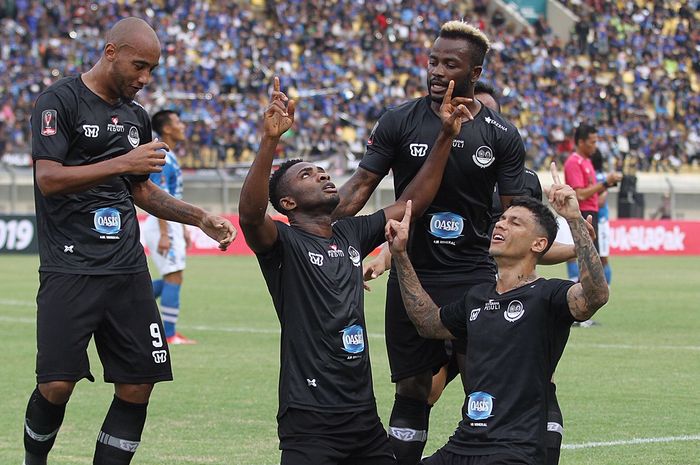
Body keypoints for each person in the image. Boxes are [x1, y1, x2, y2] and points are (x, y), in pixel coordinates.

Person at [24, 17, 236, 465]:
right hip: (70, 267)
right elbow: (49, 179)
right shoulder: (57, 102)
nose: (144, 79)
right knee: (56, 385)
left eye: (151, 70)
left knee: (138, 383)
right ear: (110, 52)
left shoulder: (135, 117)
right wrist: (122, 162)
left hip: (125, 267)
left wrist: (199, 217)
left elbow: (142, 191)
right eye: (139, 66)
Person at [238, 77, 472, 465]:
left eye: (322, 170)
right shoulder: (283, 244)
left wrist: (445, 138)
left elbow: (413, 202)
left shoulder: (350, 232)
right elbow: (249, 215)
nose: (323, 175)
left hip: (363, 417)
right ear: (288, 201)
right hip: (310, 417)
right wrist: (269, 141)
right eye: (307, 175)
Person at [334, 22, 526, 465]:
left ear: (475, 73)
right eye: (433, 61)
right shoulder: (399, 119)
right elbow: (361, 186)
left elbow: (516, 212)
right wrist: (315, 226)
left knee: (482, 378)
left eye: (450, 65)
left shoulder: (501, 134)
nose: (437, 71)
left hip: (473, 275)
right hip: (410, 269)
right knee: (414, 387)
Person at [386, 163, 610, 465]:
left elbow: (595, 295)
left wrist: (573, 219)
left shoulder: (549, 295)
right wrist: (400, 256)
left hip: (514, 449)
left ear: (539, 244)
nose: (501, 225)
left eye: (515, 222)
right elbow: (427, 322)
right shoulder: (476, 297)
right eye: (502, 219)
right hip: (463, 444)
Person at [141, 110, 195, 345]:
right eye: (177, 122)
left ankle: (130, 300)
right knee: (173, 276)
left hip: (170, 223)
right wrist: (165, 233)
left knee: (174, 277)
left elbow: (173, 196)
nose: (182, 126)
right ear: (166, 129)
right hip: (162, 223)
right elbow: (158, 197)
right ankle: (170, 334)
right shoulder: (161, 154)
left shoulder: (169, 155)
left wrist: (182, 227)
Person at [563, 123, 622, 282]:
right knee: (588, 261)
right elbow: (580, 194)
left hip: (592, 213)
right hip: (582, 214)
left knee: (593, 261)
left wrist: (608, 184)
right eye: (593, 142)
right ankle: (579, 298)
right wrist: (604, 184)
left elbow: (591, 194)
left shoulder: (587, 162)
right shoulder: (574, 162)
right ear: (581, 142)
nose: (595, 146)